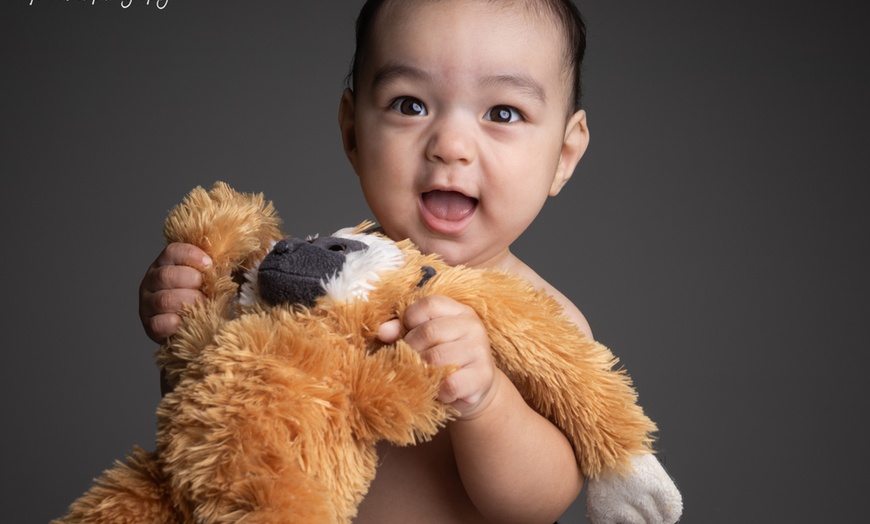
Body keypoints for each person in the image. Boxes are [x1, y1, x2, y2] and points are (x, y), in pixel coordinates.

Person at [139, 0, 593, 522]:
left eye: (503, 113)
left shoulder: (547, 322)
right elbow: (215, 421)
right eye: (410, 104)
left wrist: (488, 402)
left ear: (563, 155)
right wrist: (192, 320)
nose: (450, 145)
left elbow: (542, 502)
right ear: (353, 131)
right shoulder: (314, 279)